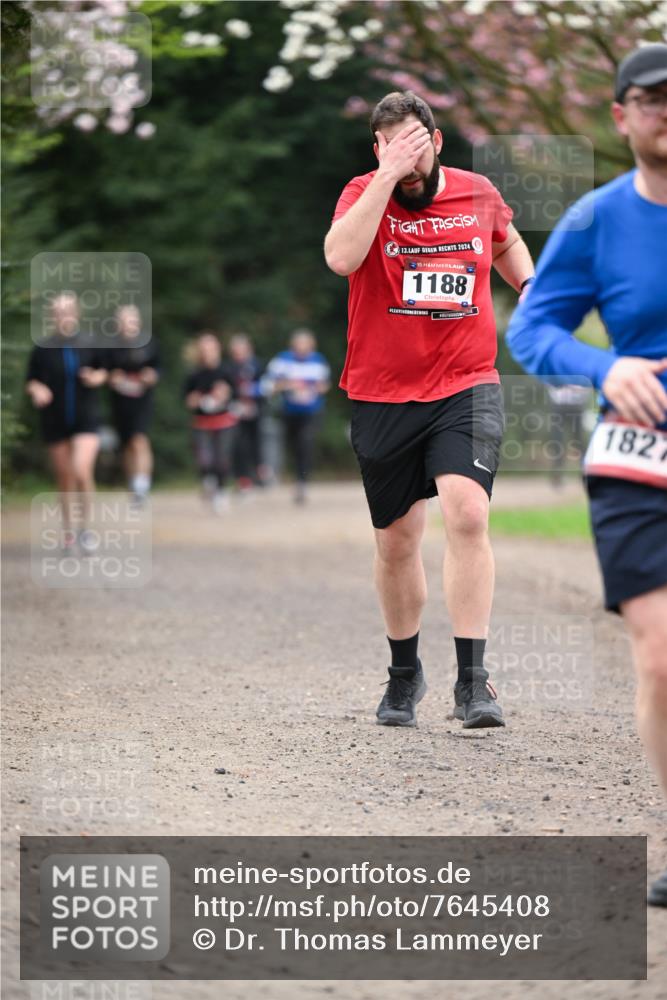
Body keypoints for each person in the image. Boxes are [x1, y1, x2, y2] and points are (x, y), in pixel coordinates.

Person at [505, 44, 667, 906]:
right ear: (620, 115)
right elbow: (530, 331)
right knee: (661, 661)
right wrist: (607, 370)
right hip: (639, 459)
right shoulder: (596, 220)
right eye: (649, 99)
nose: (665, 111)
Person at [324, 90, 534, 729]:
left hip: (465, 383)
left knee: (467, 514)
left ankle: (475, 684)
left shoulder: (476, 192)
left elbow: (505, 241)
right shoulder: (363, 193)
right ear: (378, 149)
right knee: (397, 541)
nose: (408, 156)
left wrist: (530, 287)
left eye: (416, 142)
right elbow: (340, 258)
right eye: (392, 145)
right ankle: (404, 674)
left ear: (438, 141)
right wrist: (385, 180)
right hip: (382, 390)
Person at [25, 292, 107, 552]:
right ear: (52, 317)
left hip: (86, 418)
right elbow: (31, 379)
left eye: (68, 311)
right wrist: (37, 389)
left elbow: (105, 369)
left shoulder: (90, 342)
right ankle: (69, 533)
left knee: (81, 470)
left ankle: (86, 530)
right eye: (58, 312)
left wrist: (97, 377)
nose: (63, 317)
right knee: (64, 477)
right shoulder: (42, 348)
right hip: (55, 419)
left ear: (76, 314)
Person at [263, 329, 330, 504]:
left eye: (305, 344)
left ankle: (302, 483)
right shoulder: (282, 360)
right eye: (299, 344)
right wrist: (289, 385)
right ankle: (290, 476)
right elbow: (269, 385)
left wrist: (311, 390)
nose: (302, 347)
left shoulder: (318, 360)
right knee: (292, 446)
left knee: (305, 443)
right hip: (288, 412)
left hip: (311, 412)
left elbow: (324, 386)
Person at [105, 304, 160, 506]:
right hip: (120, 403)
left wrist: (151, 376)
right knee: (127, 445)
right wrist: (112, 377)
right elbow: (103, 371)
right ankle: (133, 485)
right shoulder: (110, 347)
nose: (129, 324)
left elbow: (158, 368)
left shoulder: (149, 343)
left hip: (142, 402)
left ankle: (142, 486)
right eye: (125, 320)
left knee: (140, 441)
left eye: (132, 320)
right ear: (118, 324)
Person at [183, 332, 238, 514]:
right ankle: (208, 482)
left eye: (210, 349)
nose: (207, 353)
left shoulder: (227, 371)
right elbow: (187, 399)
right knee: (205, 460)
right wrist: (194, 400)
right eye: (203, 350)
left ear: (217, 350)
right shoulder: (194, 374)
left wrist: (226, 394)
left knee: (222, 460)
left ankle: (221, 493)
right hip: (202, 423)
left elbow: (236, 395)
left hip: (224, 422)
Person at [226, 333, 268, 496]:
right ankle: (243, 479)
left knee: (257, 443)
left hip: (256, 411)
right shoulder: (229, 368)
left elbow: (268, 386)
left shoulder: (258, 365)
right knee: (239, 446)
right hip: (236, 412)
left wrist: (254, 394)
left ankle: (260, 473)